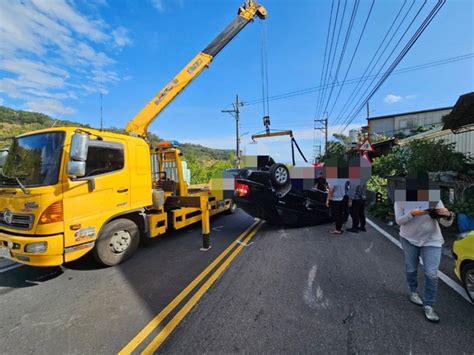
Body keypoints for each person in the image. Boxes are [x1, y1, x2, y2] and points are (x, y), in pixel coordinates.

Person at [394, 200, 454, 322]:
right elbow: (399, 221)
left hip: (432, 239)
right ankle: (413, 292)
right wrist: (412, 214)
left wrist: (448, 216)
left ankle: (429, 305)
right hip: (408, 238)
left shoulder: (434, 199)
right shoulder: (401, 199)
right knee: (411, 268)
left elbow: (445, 223)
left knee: (431, 274)